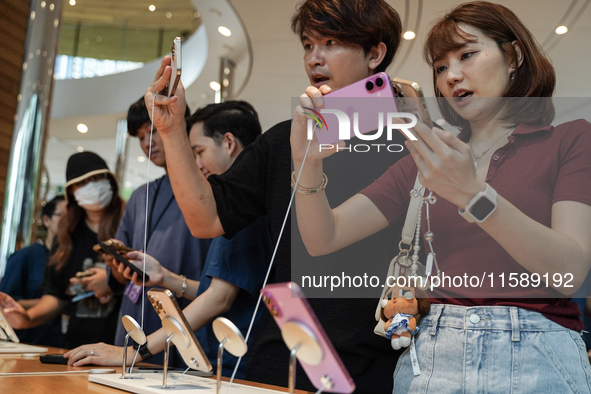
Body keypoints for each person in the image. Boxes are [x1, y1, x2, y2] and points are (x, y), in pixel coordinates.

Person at [291, 1, 591, 392]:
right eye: (440, 67)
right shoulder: (424, 163)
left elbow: (568, 274)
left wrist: (473, 195)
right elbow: (323, 237)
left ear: (514, 55)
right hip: (433, 359)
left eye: (467, 55)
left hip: (536, 357)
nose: (451, 76)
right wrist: (307, 164)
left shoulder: (570, 140)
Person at [144, 1, 405, 391]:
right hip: (279, 363)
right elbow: (206, 219)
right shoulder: (283, 139)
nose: (314, 59)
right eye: (307, 45)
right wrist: (171, 129)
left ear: (375, 53)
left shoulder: (412, 141)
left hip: (375, 366)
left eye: (331, 42)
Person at [65, 101, 272, 379]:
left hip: (233, 358)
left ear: (229, 143)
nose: (196, 164)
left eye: (198, 152)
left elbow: (219, 298)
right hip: (207, 348)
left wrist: (136, 351)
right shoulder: (145, 196)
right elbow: (218, 290)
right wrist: (163, 276)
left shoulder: (241, 207)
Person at [108, 97, 211, 366]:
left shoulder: (208, 187)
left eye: (152, 131)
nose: (147, 143)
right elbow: (120, 277)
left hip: (189, 313)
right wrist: (117, 262)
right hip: (136, 312)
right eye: (140, 137)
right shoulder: (140, 196)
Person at [0, 152, 124, 348]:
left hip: (124, 347)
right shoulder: (67, 237)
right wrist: (27, 317)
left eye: (97, 178)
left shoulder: (132, 226)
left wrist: (111, 278)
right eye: (82, 182)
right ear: (71, 192)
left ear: (110, 180)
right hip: (77, 346)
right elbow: (57, 297)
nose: (91, 186)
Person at [0, 195, 67, 347]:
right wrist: (56, 301)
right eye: (63, 214)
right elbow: (6, 301)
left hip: (65, 345)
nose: (69, 220)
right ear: (46, 220)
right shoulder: (25, 256)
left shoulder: (74, 259)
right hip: (27, 343)